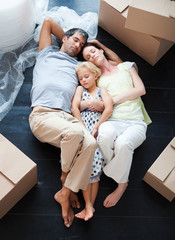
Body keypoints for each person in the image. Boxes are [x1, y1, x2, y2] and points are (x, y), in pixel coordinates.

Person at [28, 17, 98, 228]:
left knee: (91, 144)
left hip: (66, 117)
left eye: (82, 45)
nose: (78, 46)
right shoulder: (46, 53)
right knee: (76, 135)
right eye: (75, 41)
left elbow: (97, 73)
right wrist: (67, 39)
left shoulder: (78, 66)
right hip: (43, 115)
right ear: (65, 38)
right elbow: (48, 22)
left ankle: (65, 191)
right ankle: (66, 178)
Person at [80, 40, 152, 208]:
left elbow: (140, 89)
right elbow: (90, 102)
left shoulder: (126, 67)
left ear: (101, 50)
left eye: (93, 51)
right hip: (112, 120)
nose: (93, 55)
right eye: (88, 57)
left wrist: (109, 101)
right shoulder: (97, 81)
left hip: (135, 122)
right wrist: (98, 104)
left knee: (123, 143)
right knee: (104, 136)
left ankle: (122, 184)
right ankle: (120, 169)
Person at [71, 61, 113, 220]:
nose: (83, 80)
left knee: (94, 169)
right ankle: (89, 207)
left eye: (86, 76)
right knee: (83, 168)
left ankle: (89, 207)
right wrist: (83, 127)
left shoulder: (102, 91)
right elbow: (74, 108)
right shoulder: (80, 90)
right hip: (83, 131)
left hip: (98, 131)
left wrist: (96, 128)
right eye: (81, 78)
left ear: (96, 75)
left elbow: (109, 109)